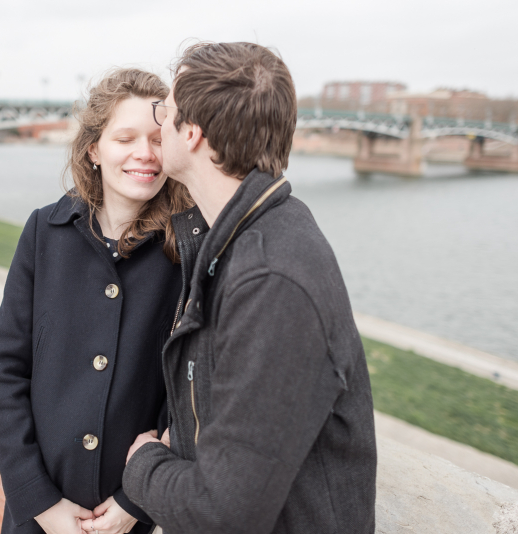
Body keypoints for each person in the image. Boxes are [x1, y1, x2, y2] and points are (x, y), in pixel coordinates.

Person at [122, 42, 378, 533]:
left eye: (166, 111)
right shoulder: (243, 238)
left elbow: (226, 514)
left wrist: (144, 465)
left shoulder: (272, 280)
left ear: (192, 133)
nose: (159, 124)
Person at [0, 68, 192, 534]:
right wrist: (39, 502)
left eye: (159, 140)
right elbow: (4, 372)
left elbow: (187, 397)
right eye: (126, 138)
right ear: (94, 149)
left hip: (133, 517)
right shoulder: (44, 232)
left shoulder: (186, 251)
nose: (145, 153)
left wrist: (135, 502)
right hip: (39, 516)